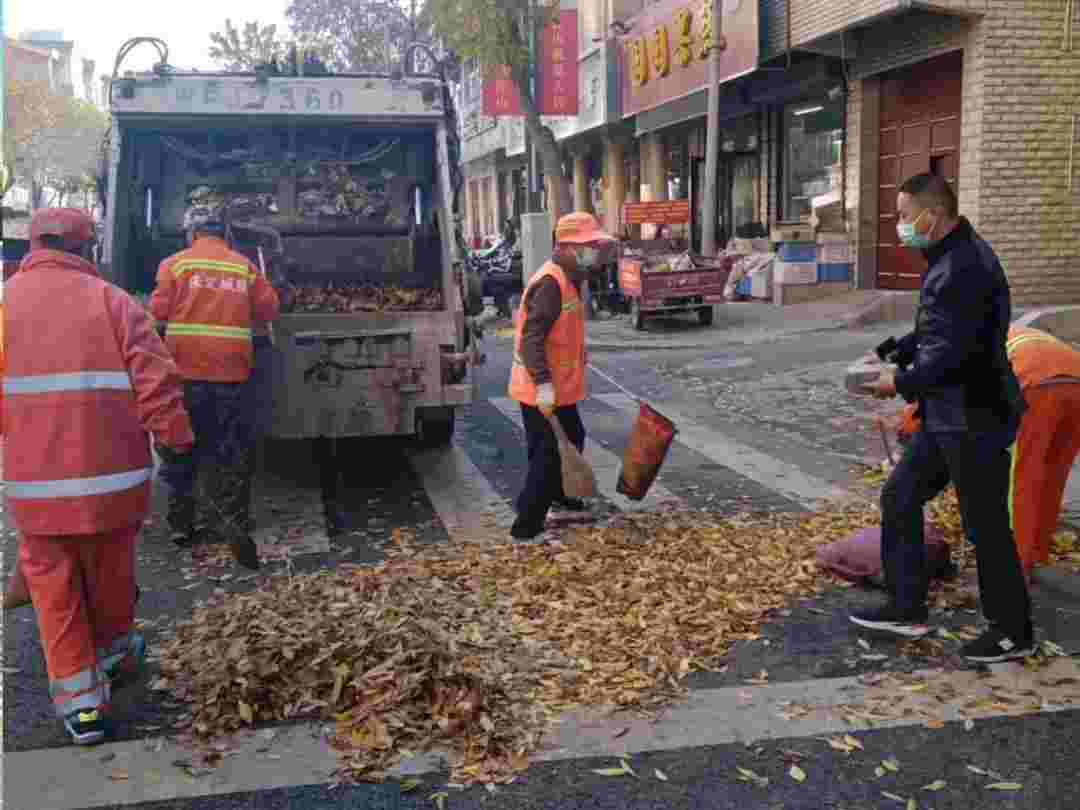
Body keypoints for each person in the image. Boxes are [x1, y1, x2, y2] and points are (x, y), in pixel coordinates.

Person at [4, 208, 194, 744]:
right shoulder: (114, 303)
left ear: (32, 245)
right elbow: (156, 380)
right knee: (111, 574)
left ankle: (83, 708)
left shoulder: (2, 304)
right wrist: (176, 439)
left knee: (53, 588)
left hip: (37, 487)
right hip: (115, 482)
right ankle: (112, 655)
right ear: (88, 250)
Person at [855, 172, 1032, 663]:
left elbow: (956, 354)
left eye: (905, 215)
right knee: (901, 495)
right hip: (947, 415)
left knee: (986, 525)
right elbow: (933, 332)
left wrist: (899, 383)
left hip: (976, 417)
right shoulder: (948, 258)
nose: (899, 225)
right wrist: (888, 351)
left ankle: (1012, 631)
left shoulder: (965, 267)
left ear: (932, 215)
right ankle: (907, 606)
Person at [150, 203, 280, 570]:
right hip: (231, 376)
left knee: (181, 448)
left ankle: (182, 525)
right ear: (225, 234)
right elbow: (269, 311)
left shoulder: (175, 265)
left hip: (185, 375)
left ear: (191, 234)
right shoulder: (243, 266)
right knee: (231, 452)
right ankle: (234, 521)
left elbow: (157, 314)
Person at [895, 325, 1080, 579]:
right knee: (1052, 474)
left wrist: (908, 429)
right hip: (1075, 378)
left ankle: (1017, 568)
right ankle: (1036, 550)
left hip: (1036, 385)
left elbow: (932, 405)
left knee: (1022, 479)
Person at [507, 212, 615, 540]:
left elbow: (561, 332)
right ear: (567, 248)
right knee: (547, 457)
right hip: (542, 390)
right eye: (588, 246)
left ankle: (558, 496)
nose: (593, 252)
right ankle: (526, 526)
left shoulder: (570, 277)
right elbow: (531, 339)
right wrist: (542, 384)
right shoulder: (550, 283)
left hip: (560, 390)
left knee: (574, 437)